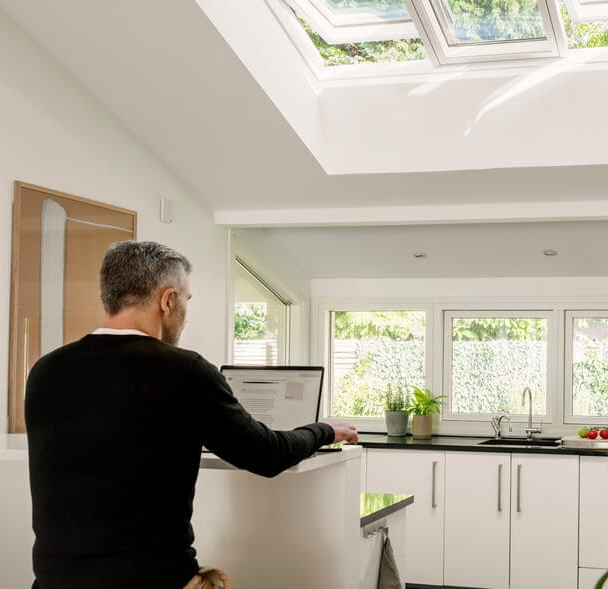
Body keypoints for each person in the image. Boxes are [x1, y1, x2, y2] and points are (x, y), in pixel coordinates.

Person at [25, 240, 359, 589]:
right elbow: (267, 454)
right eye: (186, 299)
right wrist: (324, 430)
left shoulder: (46, 370)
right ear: (167, 301)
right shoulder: (183, 371)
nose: (186, 309)